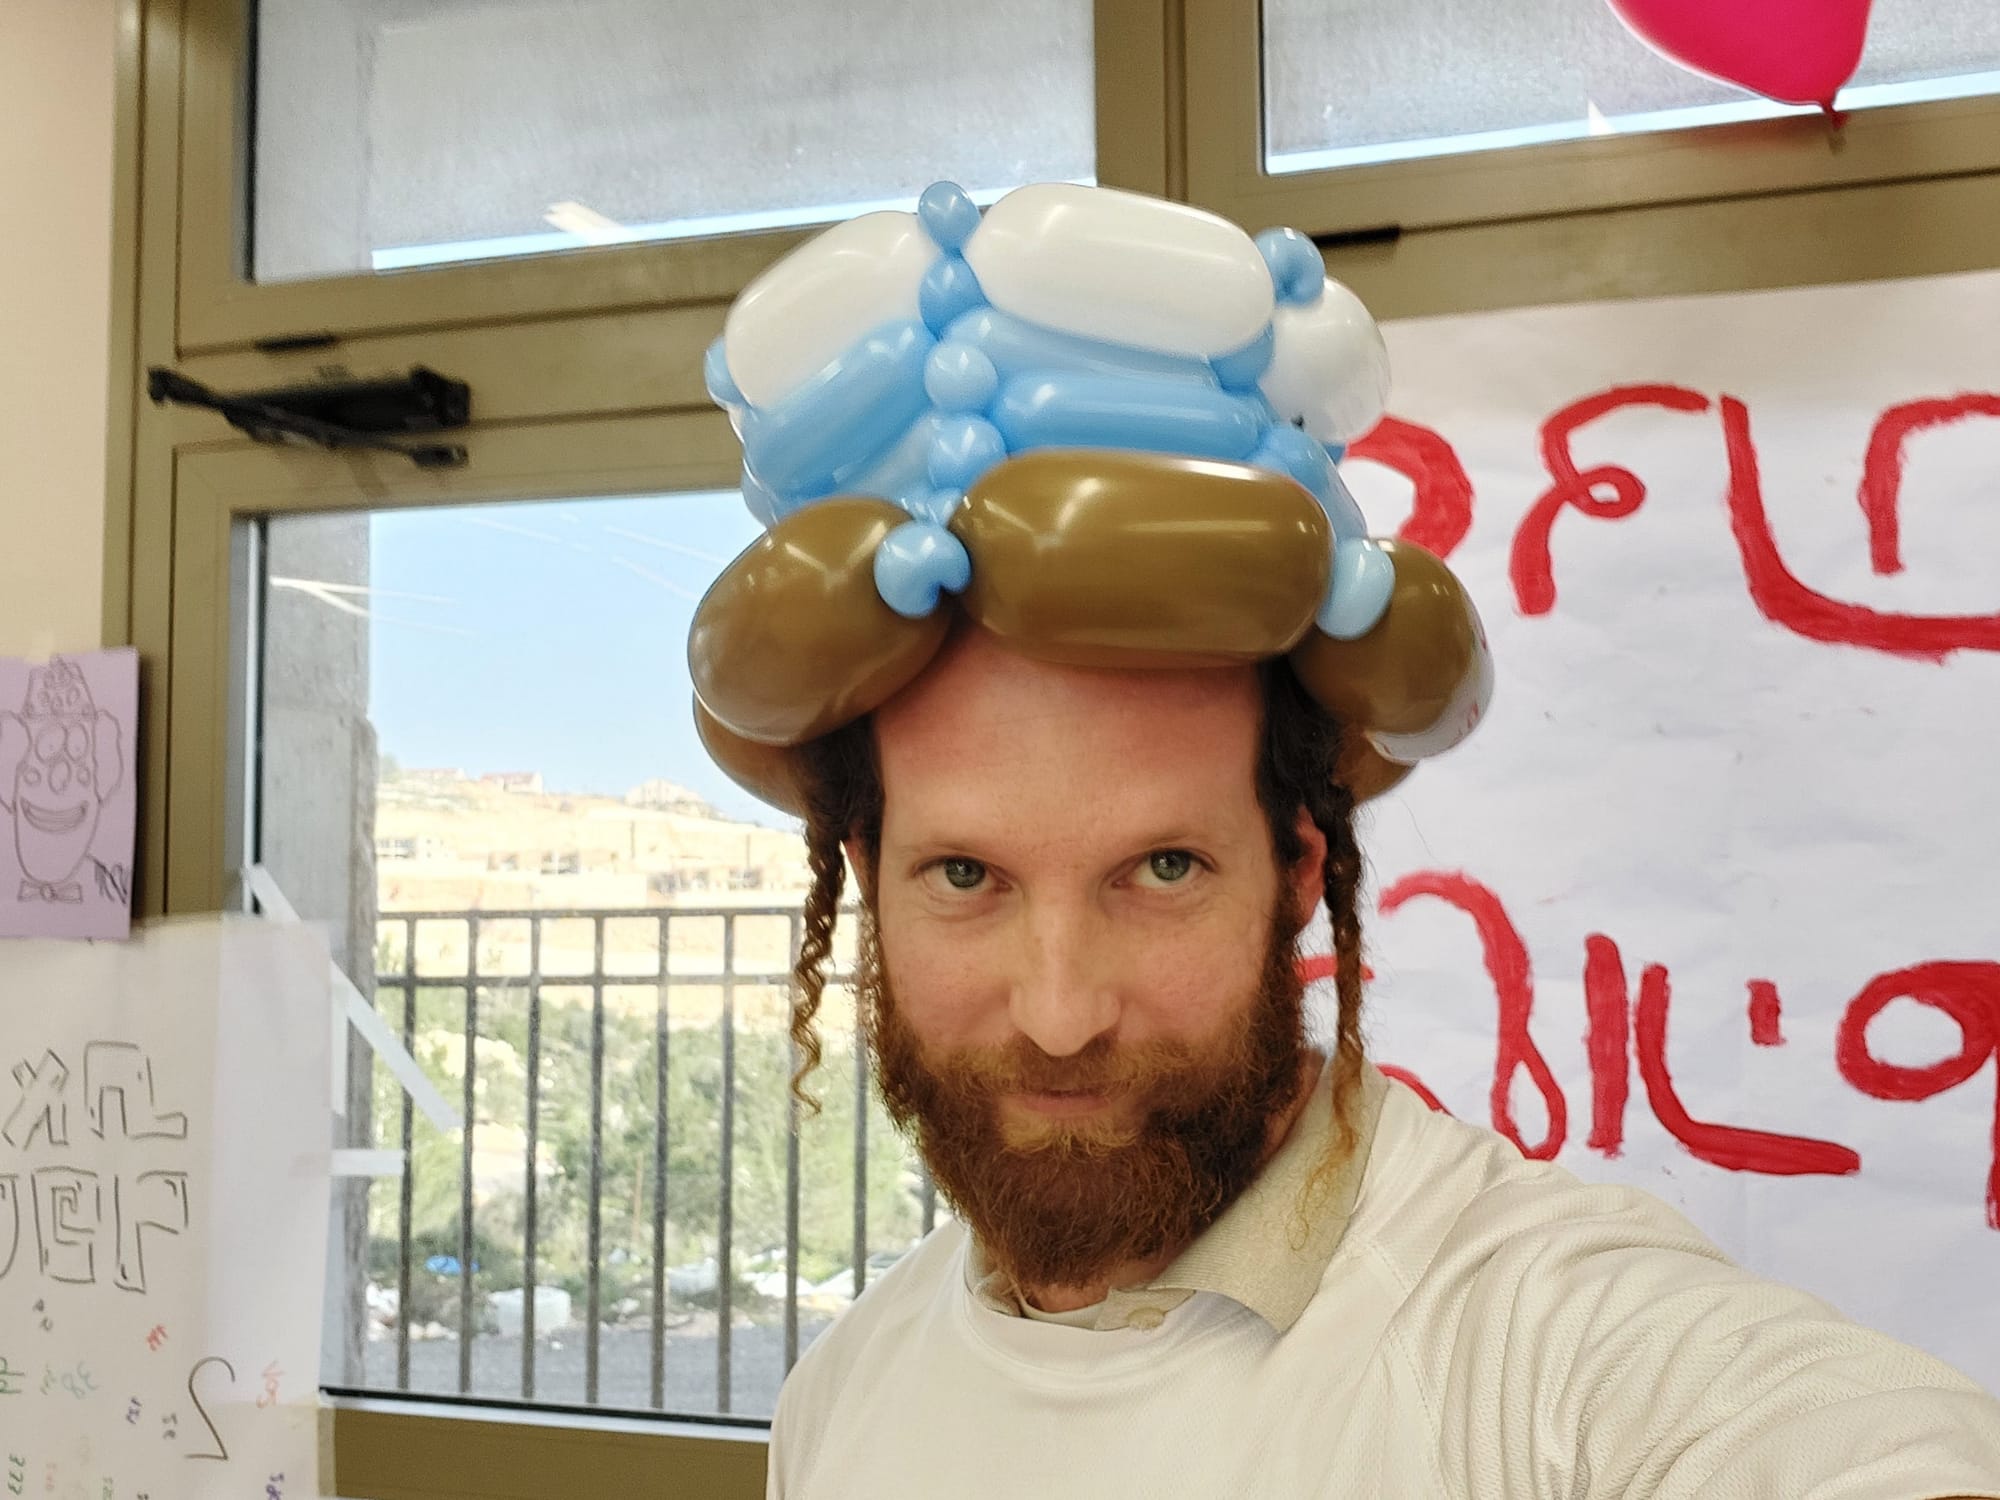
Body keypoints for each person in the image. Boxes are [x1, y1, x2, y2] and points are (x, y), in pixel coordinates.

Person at [689, 182, 2000, 1498]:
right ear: (869, 880)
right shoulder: (841, 1402)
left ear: (1298, 872)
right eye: (966, 876)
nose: (1062, 1012)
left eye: (1163, 870)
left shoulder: (1531, 1342)